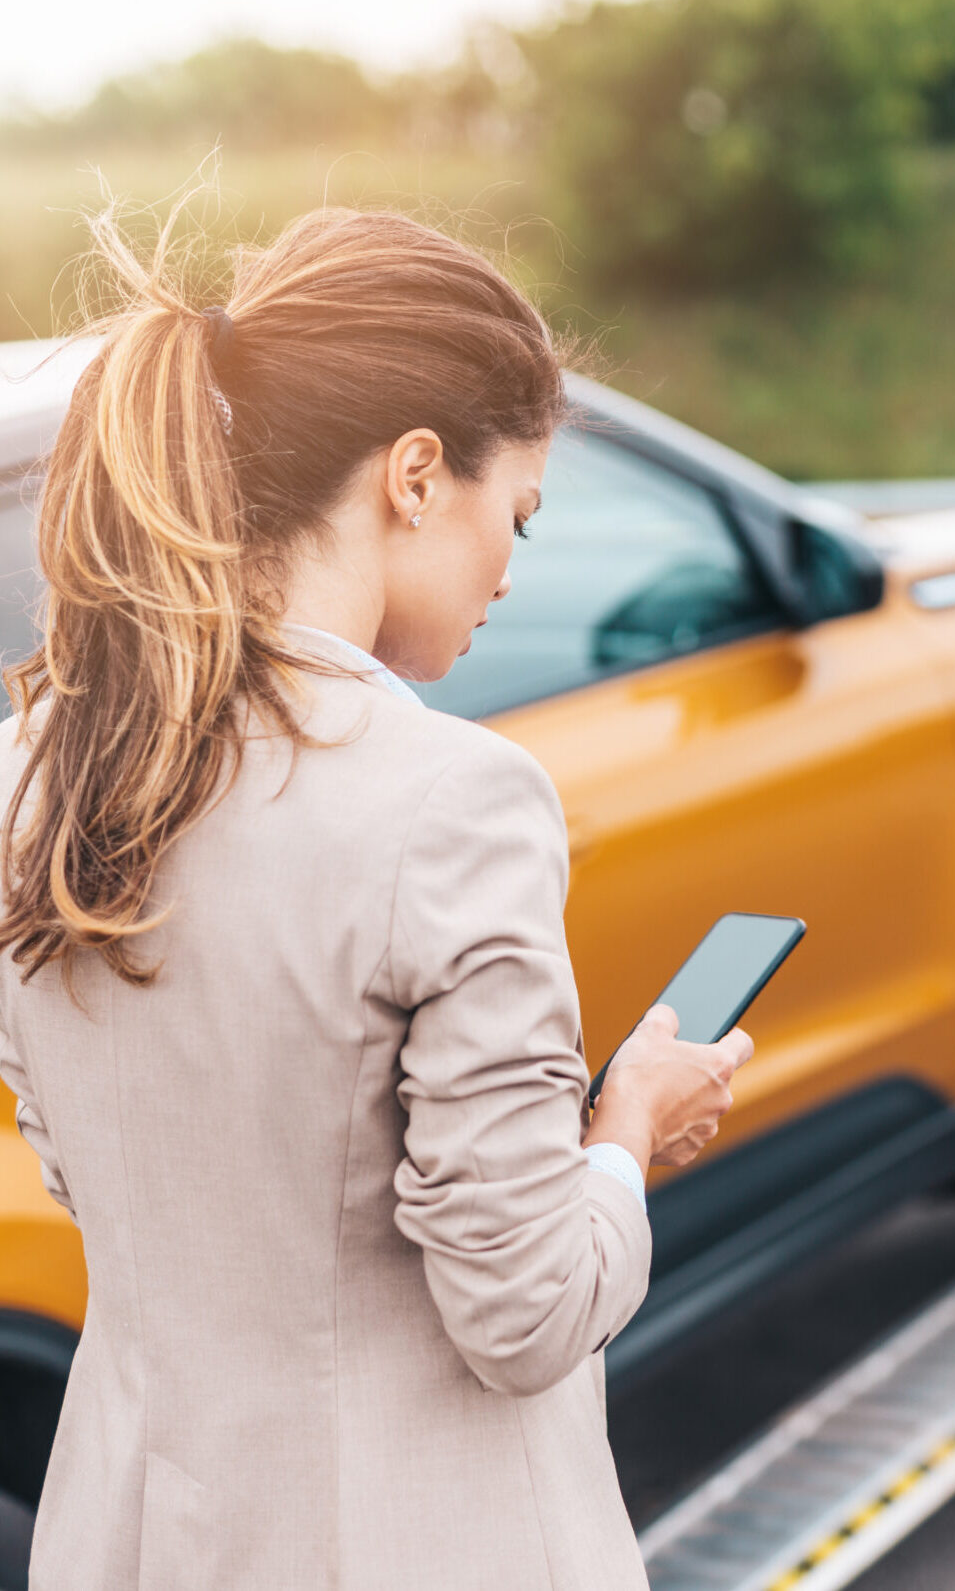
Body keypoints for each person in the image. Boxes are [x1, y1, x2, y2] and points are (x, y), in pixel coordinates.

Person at [0, 202, 752, 1590]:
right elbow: (525, 1313)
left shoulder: (30, 768)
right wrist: (627, 1132)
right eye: (511, 512)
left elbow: (98, 1165)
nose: (511, 569)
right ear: (415, 474)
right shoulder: (456, 799)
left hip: (127, 1540)